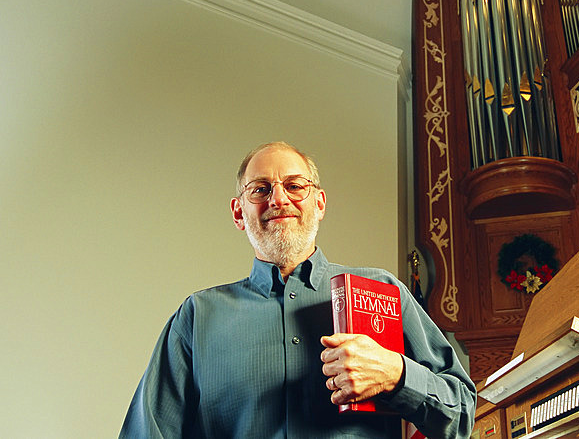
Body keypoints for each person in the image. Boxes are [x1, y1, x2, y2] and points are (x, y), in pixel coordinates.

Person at [120, 142, 476, 438]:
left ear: (319, 203)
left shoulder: (382, 289)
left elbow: (462, 414)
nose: (278, 199)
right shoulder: (197, 317)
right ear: (238, 213)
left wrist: (397, 374)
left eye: (294, 186)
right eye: (260, 189)